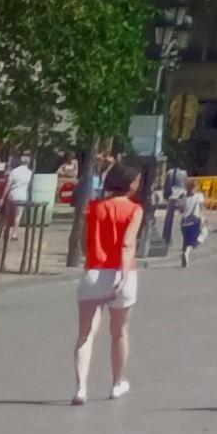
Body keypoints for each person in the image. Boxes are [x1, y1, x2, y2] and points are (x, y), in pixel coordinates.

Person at [69, 162, 144, 406]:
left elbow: (84, 243)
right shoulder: (134, 209)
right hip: (121, 274)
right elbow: (127, 244)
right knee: (119, 332)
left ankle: (81, 387)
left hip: (94, 272)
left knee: (86, 334)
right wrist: (122, 273)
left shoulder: (94, 207)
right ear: (130, 184)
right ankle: (116, 382)